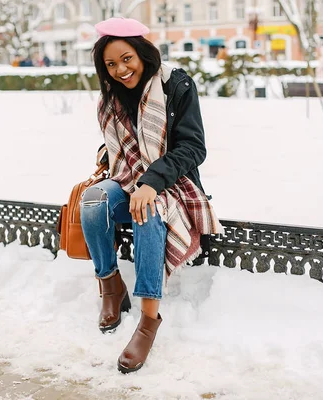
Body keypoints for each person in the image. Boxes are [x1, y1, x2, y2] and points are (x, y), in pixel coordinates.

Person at [80, 17, 223, 374]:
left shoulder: (176, 85)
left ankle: (147, 319)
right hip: (128, 179)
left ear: (142, 52)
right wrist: (113, 158)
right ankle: (111, 287)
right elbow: (125, 143)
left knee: (147, 210)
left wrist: (151, 180)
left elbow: (193, 147)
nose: (120, 70)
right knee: (94, 199)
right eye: (110, 65)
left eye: (126, 59)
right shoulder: (111, 96)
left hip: (172, 184)